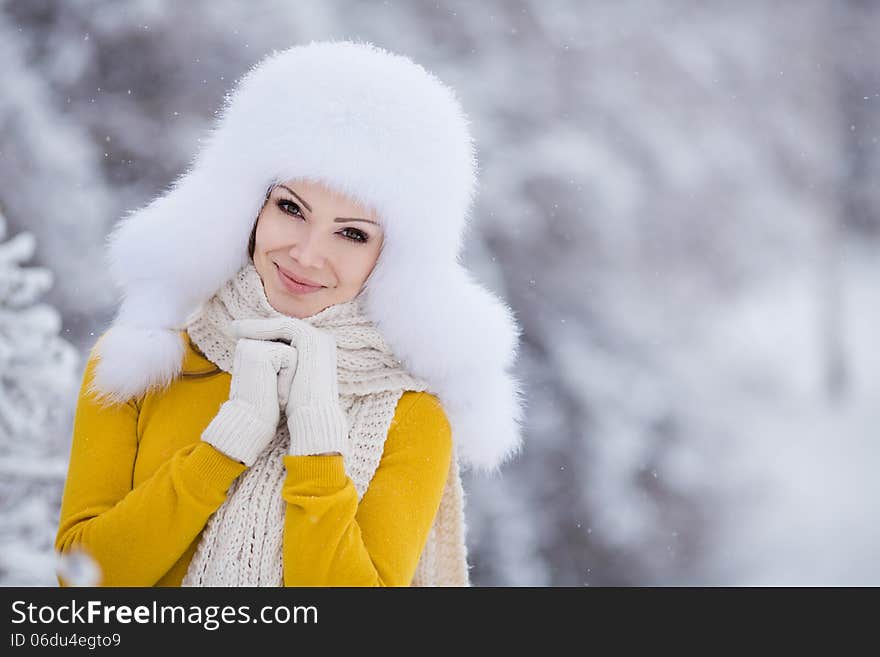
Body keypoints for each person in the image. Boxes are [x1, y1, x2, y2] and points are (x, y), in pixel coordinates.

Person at [55, 40, 525, 587]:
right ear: (249, 206)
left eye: (351, 233)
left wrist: (317, 441)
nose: (306, 254)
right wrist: (225, 444)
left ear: (392, 256)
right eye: (290, 209)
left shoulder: (411, 416)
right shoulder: (143, 362)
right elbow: (82, 583)